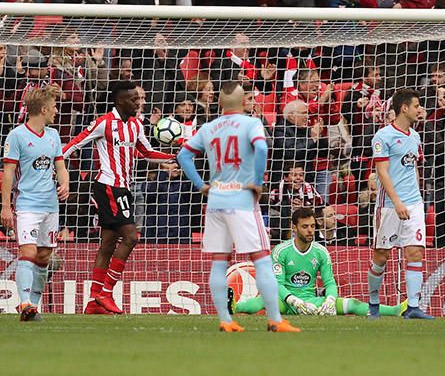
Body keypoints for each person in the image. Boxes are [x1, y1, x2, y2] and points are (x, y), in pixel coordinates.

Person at [177, 81, 300, 332]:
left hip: (216, 200)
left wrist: (202, 185)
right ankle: (275, 320)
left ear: (219, 103)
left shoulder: (209, 127)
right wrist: (257, 181)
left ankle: (225, 319)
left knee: (220, 260)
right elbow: (262, 147)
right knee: (262, 258)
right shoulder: (251, 123)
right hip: (241, 199)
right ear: (245, 102)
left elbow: (183, 156)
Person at [63, 81, 176, 315]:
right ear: (119, 101)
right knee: (132, 237)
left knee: (107, 244)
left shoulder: (135, 125)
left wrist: (175, 154)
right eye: (134, 99)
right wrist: (58, 165)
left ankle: (94, 302)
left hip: (123, 188)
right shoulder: (103, 123)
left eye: (139, 98)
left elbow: (147, 153)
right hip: (107, 186)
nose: (139, 103)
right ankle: (106, 292)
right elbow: (74, 144)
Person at [231, 207, 406, 316]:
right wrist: (293, 301)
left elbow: (329, 282)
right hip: (285, 302)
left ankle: (396, 310)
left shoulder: (321, 251)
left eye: (313, 226)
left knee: (352, 304)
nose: (310, 230)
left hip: (312, 302)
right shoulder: (281, 251)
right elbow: (277, 285)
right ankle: (234, 307)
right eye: (305, 226)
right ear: (294, 228)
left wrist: (329, 299)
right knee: (266, 300)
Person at [1, 86, 69, 321]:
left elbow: (60, 166)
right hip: (26, 204)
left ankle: (34, 307)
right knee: (27, 252)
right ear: (43, 109)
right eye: (53, 106)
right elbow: (8, 173)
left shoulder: (53, 136)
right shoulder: (16, 135)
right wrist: (5, 206)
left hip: (50, 205)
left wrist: (65, 184)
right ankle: (24, 302)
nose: (56, 110)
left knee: (43, 257)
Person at [368, 88, 433, 319]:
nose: (420, 109)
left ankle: (412, 307)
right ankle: (373, 303)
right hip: (389, 205)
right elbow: (382, 173)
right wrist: (397, 202)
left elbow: (413, 167)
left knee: (415, 253)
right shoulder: (383, 136)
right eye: (416, 105)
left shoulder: (415, 137)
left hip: (413, 203)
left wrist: (416, 197)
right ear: (404, 108)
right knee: (381, 256)